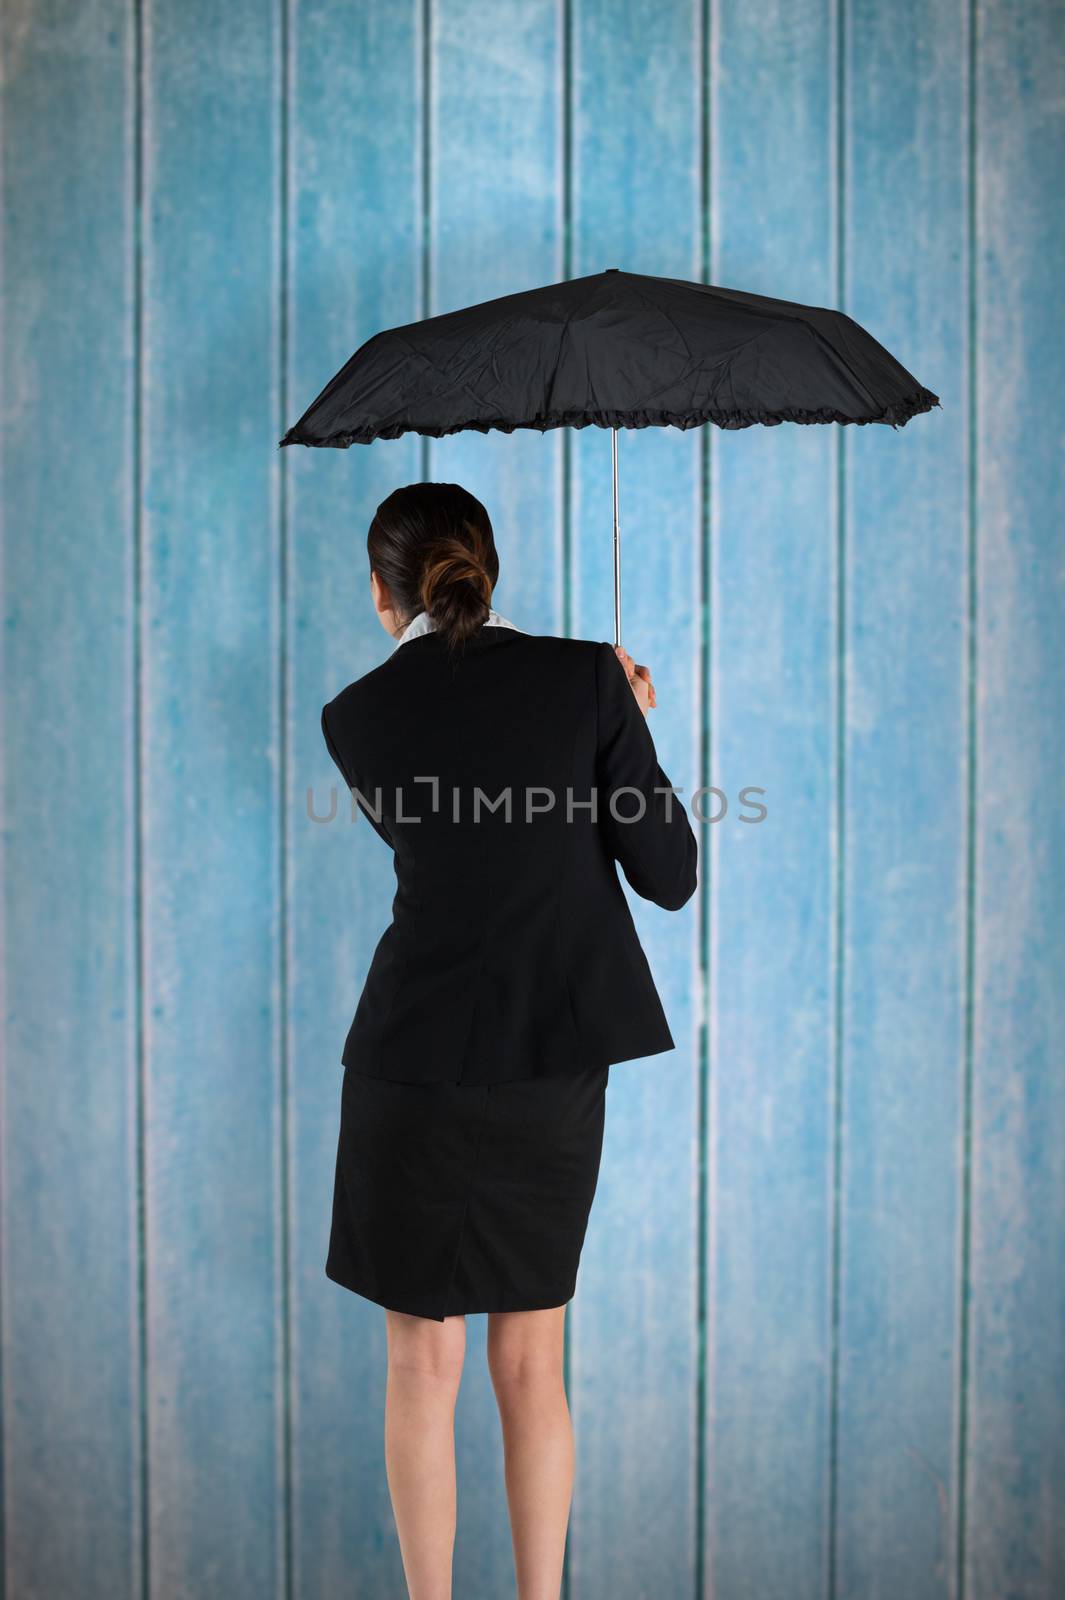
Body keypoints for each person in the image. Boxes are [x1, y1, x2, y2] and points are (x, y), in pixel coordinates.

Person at [320, 481, 697, 1600]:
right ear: (489, 567)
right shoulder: (586, 677)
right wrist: (624, 721)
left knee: (418, 1368)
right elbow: (668, 876)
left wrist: (601, 725)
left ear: (385, 594)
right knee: (532, 1368)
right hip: (550, 1062)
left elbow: (453, 848)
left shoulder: (355, 716)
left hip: (411, 1062)